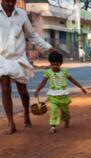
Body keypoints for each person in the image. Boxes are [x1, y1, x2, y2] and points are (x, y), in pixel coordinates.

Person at [0, 0, 55, 134]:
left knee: (22, 91)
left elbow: (32, 35)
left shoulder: (22, 15)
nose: (10, 3)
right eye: (8, 0)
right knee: (5, 89)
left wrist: (48, 48)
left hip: (18, 58)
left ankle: (26, 113)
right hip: (2, 57)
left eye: (13, 1)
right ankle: (11, 123)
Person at [34, 51, 87, 134]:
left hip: (63, 96)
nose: (55, 66)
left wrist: (81, 87)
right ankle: (53, 126)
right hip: (53, 96)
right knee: (53, 110)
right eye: (52, 64)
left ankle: (66, 120)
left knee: (65, 111)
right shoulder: (48, 72)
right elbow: (43, 82)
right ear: (50, 63)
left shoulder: (64, 72)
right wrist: (37, 90)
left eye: (57, 64)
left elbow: (72, 80)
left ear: (61, 64)